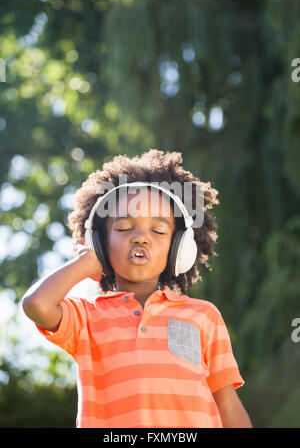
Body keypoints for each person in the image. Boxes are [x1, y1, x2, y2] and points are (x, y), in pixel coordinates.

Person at [22, 149, 252, 428]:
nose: (141, 238)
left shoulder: (204, 316)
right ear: (100, 244)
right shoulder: (86, 318)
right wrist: (86, 263)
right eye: (124, 228)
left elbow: (227, 404)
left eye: (158, 230)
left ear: (178, 248)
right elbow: (37, 305)